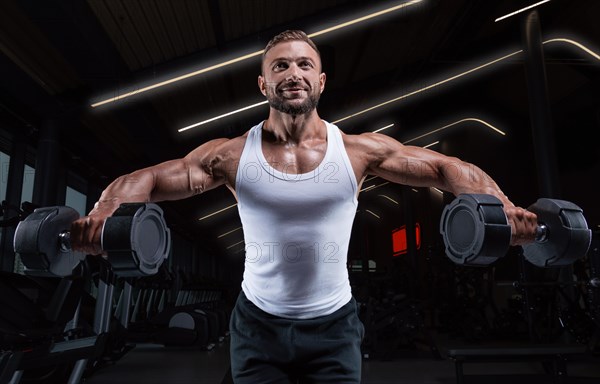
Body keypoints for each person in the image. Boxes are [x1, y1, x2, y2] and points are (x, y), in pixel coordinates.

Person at [71, 30, 538, 383]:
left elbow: (445, 168)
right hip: (257, 325)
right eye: (279, 67)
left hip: (334, 326)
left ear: (320, 80)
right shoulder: (231, 156)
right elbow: (149, 179)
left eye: (303, 65)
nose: (292, 73)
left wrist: (504, 208)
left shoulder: (358, 151)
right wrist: (104, 215)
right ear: (262, 83)